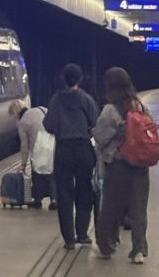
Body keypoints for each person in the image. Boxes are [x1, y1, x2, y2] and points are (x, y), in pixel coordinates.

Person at [91, 67, 150, 264]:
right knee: (138, 208)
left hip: (118, 165)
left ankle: (106, 246)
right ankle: (139, 250)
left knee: (110, 207)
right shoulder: (139, 105)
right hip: (140, 164)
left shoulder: (110, 109)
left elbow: (99, 136)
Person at [43, 63, 99, 249]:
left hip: (64, 150)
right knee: (85, 190)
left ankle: (68, 239)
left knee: (64, 193)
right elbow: (95, 122)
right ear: (80, 79)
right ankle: (82, 233)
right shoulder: (87, 99)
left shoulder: (55, 100)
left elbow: (49, 125)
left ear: (63, 79)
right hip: (83, 149)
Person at [8, 99, 57, 210]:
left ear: (15, 112)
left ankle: (38, 200)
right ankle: (54, 199)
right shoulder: (41, 109)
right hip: (53, 144)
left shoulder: (23, 122)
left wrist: (23, 164)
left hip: (39, 148)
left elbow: (24, 146)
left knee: (37, 174)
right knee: (52, 173)